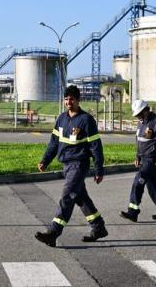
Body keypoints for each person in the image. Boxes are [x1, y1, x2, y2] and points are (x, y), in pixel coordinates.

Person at [34, 85, 108, 247]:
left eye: (72, 99)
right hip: (66, 165)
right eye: (66, 99)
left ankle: (53, 232)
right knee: (81, 198)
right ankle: (99, 227)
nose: (68, 102)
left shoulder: (86, 120)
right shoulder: (61, 118)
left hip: (79, 165)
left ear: (78, 100)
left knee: (67, 197)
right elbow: (53, 143)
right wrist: (45, 160)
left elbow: (96, 146)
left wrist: (98, 169)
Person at [119, 99, 156, 222]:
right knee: (152, 186)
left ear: (146, 110)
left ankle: (133, 211)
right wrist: (137, 156)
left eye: (140, 114)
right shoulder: (141, 122)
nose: (138, 117)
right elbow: (139, 141)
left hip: (151, 159)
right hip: (143, 158)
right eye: (137, 115)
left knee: (138, 181)